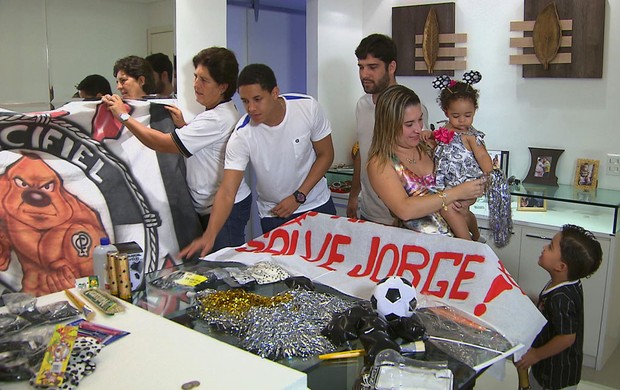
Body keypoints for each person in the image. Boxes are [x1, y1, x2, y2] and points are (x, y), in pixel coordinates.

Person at [179, 63, 336, 258]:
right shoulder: (242, 134)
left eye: (257, 99)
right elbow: (228, 190)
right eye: (245, 101)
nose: (251, 108)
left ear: (275, 93)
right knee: (284, 277)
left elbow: (326, 154)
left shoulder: (307, 107)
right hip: (275, 214)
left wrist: (298, 196)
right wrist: (210, 235)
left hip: (316, 204)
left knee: (328, 271)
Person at [103, 47, 252, 252]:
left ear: (222, 87)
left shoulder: (216, 118)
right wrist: (184, 127)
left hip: (224, 209)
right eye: (195, 77)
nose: (195, 85)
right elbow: (209, 148)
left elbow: (162, 144)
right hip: (214, 205)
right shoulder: (221, 111)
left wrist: (123, 116)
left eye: (204, 80)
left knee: (224, 269)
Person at [367, 84, 485, 235]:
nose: (418, 128)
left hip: (458, 243)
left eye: (420, 119)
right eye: (409, 124)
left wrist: (468, 198)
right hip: (419, 252)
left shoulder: (431, 146)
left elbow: (464, 182)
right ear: (388, 125)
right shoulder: (381, 163)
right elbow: (404, 210)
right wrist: (456, 193)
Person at [347, 33, 429, 224]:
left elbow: (419, 158)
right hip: (368, 211)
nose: (364, 74)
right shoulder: (362, 105)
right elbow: (364, 151)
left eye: (372, 67)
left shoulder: (412, 109)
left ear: (391, 67)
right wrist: (354, 194)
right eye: (361, 67)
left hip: (402, 218)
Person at [516, 224, 602, 390]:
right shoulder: (567, 283)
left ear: (561, 267)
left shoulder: (561, 298)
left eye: (550, 247)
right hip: (548, 367)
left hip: (555, 375)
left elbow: (567, 337)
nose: (544, 247)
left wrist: (535, 355)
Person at [421, 72, 492, 241]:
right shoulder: (445, 129)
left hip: (468, 182)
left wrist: (489, 174)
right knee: (456, 210)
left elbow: (482, 156)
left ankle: (471, 240)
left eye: (467, 116)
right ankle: (470, 237)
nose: (462, 121)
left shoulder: (472, 136)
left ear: (474, 110)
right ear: (446, 112)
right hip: (448, 182)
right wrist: (428, 134)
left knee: (456, 210)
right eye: (456, 116)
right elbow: (436, 140)